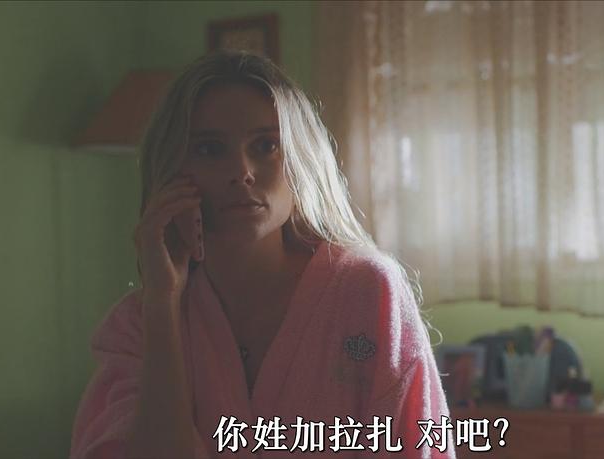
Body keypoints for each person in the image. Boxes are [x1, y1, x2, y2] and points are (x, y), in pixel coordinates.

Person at [69, 51, 455, 459]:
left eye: (266, 145)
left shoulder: (367, 290)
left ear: (300, 159)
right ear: (172, 170)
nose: (242, 171)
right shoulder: (140, 324)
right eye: (209, 149)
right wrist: (162, 303)